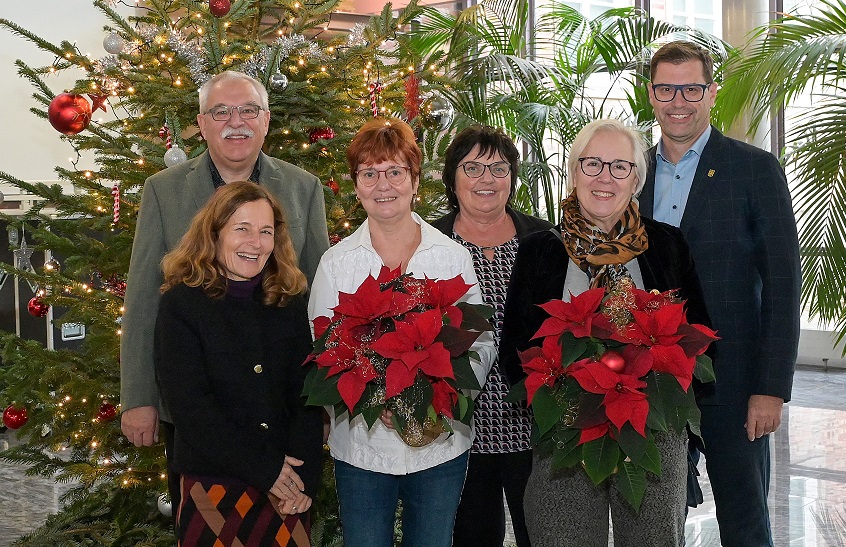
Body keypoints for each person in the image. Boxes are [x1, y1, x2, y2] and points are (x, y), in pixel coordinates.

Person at [120, 70, 330, 519]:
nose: (236, 121)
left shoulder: (303, 186)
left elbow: (317, 297)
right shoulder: (163, 189)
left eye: (248, 110)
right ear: (201, 122)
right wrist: (138, 396)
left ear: (266, 120)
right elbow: (142, 300)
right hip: (199, 413)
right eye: (221, 112)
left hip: (278, 399)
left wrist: (321, 403)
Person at [499, 119, 711, 546]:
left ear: (636, 179)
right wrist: (555, 402)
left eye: (619, 166)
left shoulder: (668, 244)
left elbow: (697, 337)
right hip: (565, 434)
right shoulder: (539, 248)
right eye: (592, 164)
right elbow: (514, 349)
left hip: (651, 435)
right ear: (574, 172)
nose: (604, 178)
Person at [639, 40, 801, 546]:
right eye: (666, 88)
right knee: (654, 519)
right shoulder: (631, 173)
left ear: (712, 93)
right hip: (650, 382)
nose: (678, 100)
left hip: (732, 383)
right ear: (651, 94)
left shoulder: (754, 170)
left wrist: (771, 387)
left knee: (745, 521)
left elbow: (781, 284)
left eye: (691, 87)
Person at [308, 117, 496, 547]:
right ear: (356, 186)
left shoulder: (451, 257)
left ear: (414, 181)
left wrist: (431, 401)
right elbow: (324, 350)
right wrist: (380, 400)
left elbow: (480, 343)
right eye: (369, 173)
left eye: (395, 171)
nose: (383, 184)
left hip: (439, 445)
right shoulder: (336, 264)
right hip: (362, 446)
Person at [155, 181, 323, 546]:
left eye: (265, 232)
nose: (255, 242)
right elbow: (191, 409)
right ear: (213, 234)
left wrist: (305, 478)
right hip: (214, 486)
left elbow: (307, 395)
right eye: (241, 229)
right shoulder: (181, 305)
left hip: (288, 488)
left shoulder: (288, 297)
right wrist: (267, 470)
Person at [432, 125, 551, 547]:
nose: (487, 179)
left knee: (540, 533)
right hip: (460, 424)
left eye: (498, 168)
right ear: (452, 177)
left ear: (512, 178)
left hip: (532, 420)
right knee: (471, 537)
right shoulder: (429, 242)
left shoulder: (543, 238)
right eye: (473, 168)